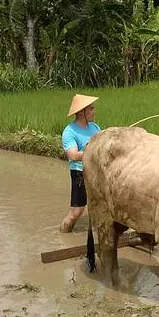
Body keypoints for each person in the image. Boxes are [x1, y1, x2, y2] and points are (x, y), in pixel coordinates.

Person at [60, 94, 101, 233]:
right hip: (80, 173)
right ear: (81, 111)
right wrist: (92, 150)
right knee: (76, 213)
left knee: (102, 207)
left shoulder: (95, 127)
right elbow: (73, 155)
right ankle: (63, 233)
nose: (93, 112)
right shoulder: (69, 131)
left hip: (96, 172)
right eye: (91, 109)